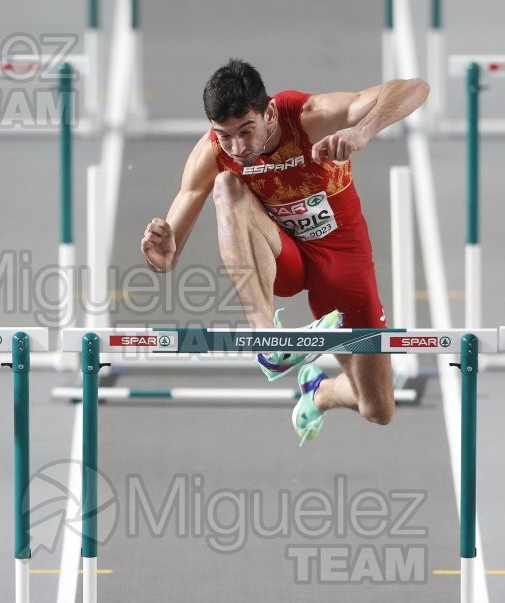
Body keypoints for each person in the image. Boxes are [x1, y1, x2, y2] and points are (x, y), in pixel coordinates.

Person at [140, 59, 429, 444]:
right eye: (224, 135)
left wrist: (362, 132)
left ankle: (320, 392)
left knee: (377, 408)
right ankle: (267, 340)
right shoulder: (212, 154)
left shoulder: (309, 117)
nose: (237, 147)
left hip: (342, 259)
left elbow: (417, 87)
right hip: (283, 257)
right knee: (227, 186)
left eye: (246, 130)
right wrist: (161, 258)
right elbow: (170, 249)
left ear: (269, 112)